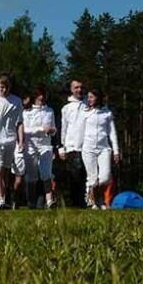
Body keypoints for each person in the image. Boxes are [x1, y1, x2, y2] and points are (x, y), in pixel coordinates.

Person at [0, 75, 25, 209]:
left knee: (6, 171)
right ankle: (0, 200)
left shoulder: (16, 101)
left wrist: (21, 141)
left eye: (6, 87)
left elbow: (19, 122)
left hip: (10, 139)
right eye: (1, 87)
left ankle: (4, 197)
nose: (4, 90)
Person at [80, 88, 120, 209]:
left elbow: (112, 133)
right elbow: (79, 131)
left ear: (98, 98)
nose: (89, 99)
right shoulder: (84, 113)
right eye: (88, 97)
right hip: (88, 148)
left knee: (105, 177)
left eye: (92, 97)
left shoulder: (107, 113)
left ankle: (97, 197)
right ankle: (93, 202)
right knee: (92, 178)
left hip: (104, 148)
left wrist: (116, 150)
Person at [22, 85, 57, 209]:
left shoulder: (49, 111)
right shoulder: (27, 111)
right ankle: (31, 202)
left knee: (46, 173)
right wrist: (41, 129)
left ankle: (49, 201)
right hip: (30, 146)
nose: (41, 98)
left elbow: (54, 128)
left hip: (45, 145)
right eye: (38, 95)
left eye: (43, 95)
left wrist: (52, 130)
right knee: (32, 176)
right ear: (34, 97)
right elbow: (25, 129)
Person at [59, 79, 88, 207]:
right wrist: (61, 147)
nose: (79, 90)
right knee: (74, 177)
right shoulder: (66, 108)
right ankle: (74, 203)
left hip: (87, 146)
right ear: (71, 89)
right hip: (72, 147)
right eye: (76, 87)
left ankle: (85, 203)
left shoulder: (88, 104)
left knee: (86, 176)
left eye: (81, 87)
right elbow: (63, 128)